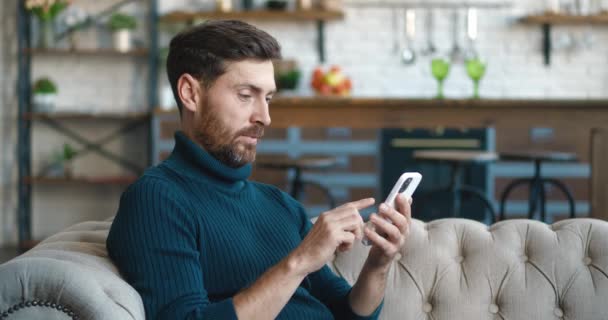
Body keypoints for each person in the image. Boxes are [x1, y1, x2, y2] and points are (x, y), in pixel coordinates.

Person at [106, 20, 412, 320]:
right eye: (245, 95)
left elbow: (347, 312)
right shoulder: (156, 199)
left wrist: (378, 264)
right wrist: (300, 260)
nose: (264, 117)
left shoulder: (281, 206)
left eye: (267, 98)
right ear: (190, 93)